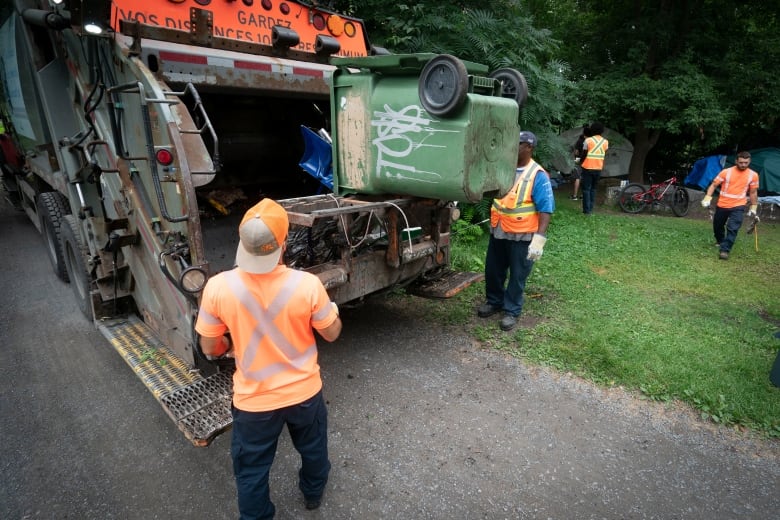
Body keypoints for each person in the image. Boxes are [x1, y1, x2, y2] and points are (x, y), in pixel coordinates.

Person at [195, 198, 342, 519]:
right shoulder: (308, 285)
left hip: (254, 403)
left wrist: (228, 348)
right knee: (313, 449)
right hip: (304, 395)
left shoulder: (217, 288)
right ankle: (313, 493)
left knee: (251, 471)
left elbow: (210, 348)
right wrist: (332, 311)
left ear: (242, 242)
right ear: (284, 241)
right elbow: (331, 333)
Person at [477, 131, 555, 331]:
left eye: (518, 144)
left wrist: (539, 240)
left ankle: (511, 311)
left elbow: (546, 208)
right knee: (493, 270)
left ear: (529, 147)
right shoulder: (503, 169)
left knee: (518, 275)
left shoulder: (537, 175)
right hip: (500, 230)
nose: (513, 147)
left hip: (523, 235)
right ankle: (494, 301)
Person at [700, 150, 759, 260]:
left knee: (733, 228)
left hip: (739, 206)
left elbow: (753, 192)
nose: (743, 165)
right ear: (736, 161)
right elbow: (713, 185)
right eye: (741, 162)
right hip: (722, 204)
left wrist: (754, 206)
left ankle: (725, 250)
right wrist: (707, 197)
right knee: (717, 225)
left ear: (749, 161)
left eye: (746, 163)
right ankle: (720, 241)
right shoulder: (726, 172)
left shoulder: (753, 175)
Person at [580, 121, 609, 214]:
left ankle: (586, 211)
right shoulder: (605, 142)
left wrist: (580, 162)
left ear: (592, 130)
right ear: (602, 131)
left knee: (586, 189)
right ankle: (591, 208)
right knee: (593, 189)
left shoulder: (588, 141)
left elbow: (584, 154)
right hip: (598, 168)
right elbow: (604, 153)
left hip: (587, 168)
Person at [570, 124, 590, 200]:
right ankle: (583, 195)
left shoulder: (580, 140)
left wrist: (576, 157)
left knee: (577, 178)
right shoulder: (591, 141)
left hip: (579, 160)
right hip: (588, 161)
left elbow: (576, 152)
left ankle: (575, 196)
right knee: (585, 178)